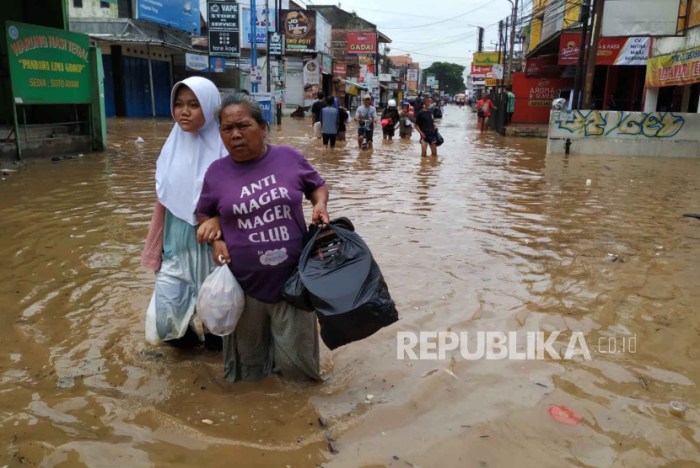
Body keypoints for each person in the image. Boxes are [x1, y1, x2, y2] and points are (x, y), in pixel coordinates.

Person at [196, 93, 330, 382]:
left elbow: (317, 186)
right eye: (227, 129)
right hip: (244, 287)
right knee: (248, 372)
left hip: (293, 284)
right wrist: (215, 238)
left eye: (243, 126)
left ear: (263, 127)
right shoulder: (216, 173)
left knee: (298, 372)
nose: (235, 135)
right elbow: (204, 214)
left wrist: (320, 205)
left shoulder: (288, 158)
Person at [141, 76, 228, 350]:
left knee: (221, 328)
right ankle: (190, 356)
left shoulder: (228, 149)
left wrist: (218, 220)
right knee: (168, 325)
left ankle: (212, 383)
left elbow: (239, 201)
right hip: (176, 248)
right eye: (178, 104)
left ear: (211, 107)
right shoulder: (170, 149)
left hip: (216, 251)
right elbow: (163, 203)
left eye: (194, 104)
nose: (184, 111)